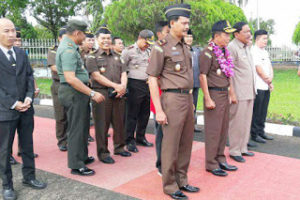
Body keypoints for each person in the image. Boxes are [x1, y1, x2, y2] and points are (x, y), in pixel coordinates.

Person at [147, 4, 200, 199]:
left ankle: (182, 180)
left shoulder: (185, 47)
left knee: (186, 142)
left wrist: (190, 100)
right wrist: (159, 110)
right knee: (170, 144)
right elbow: (152, 78)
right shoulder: (161, 48)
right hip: (171, 99)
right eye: (184, 22)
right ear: (172, 23)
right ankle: (169, 185)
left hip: (186, 98)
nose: (187, 26)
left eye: (188, 22)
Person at [0, 18, 47, 200]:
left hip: (26, 108)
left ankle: (29, 177)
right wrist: (13, 103)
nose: (12, 35)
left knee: (27, 145)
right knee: (4, 150)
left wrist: (28, 97)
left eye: (13, 31)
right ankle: (7, 185)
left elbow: (29, 76)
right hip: (6, 111)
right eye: (6, 31)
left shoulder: (21, 53)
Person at [56, 19, 105, 176]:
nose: (84, 37)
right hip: (73, 92)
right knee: (77, 128)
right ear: (77, 33)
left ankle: (82, 156)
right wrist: (91, 93)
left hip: (78, 92)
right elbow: (70, 78)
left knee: (83, 126)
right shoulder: (68, 49)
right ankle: (76, 165)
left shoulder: (70, 46)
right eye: (83, 34)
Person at [86, 25, 131, 164]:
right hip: (102, 94)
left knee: (119, 122)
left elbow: (124, 73)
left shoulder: (118, 57)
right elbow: (96, 76)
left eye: (108, 38)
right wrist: (115, 86)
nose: (106, 40)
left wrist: (122, 86)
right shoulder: (92, 57)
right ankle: (103, 153)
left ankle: (119, 147)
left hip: (118, 94)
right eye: (103, 38)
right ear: (97, 40)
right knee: (102, 125)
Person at [199, 20, 238, 177]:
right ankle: (211, 163)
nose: (228, 38)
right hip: (213, 94)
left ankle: (221, 158)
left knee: (223, 129)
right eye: (226, 35)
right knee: (214, 131)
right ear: (216, 36)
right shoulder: (207, 52)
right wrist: (207, 98)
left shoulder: (223, 52)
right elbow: (202, 76)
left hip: (223, 94)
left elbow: (228, 75)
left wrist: (231, 93)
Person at [121, 29, 154, 153]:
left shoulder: (149, 51)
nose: (147, 45)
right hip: (134, 84)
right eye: (146, 42)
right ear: (140, 38)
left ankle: (141, 137)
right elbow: (122, 69)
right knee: (132, 114)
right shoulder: (128, 51)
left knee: (145, 114)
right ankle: (129, 140)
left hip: (147, 85)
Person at [9, 27, 39, 165]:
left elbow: (29, 75)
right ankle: (7, 153)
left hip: (25, 102)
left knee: (27, 134)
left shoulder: (22, 54)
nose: (17, 42)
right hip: (7, 104)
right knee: (7, 135)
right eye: (16, 40)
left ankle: (24, 152)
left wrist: (30, 93)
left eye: (19, 40)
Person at [227, 22, 256, 163]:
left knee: (246, 121)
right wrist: (232, 92)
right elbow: (229, 73)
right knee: (237, 122)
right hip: (239, 92)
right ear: (236, 34)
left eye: (249, 31)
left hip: (249, 91)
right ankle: (234, 150)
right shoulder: (232, 47)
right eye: (246, 32)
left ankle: (243, 147)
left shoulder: (246, 47)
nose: (249, 34)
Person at [151, 21, 169, 176]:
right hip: (160, 97)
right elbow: (153, 78)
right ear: (159, 34)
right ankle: (161, 164)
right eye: (167, 31)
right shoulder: (157, 49)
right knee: (161, 134)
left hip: (174, 99)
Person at [250, 30, 274, 143]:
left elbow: (269, 66)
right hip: (258, 86)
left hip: (266, 85)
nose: (266, 40)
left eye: (266, 38)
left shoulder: (264, 51)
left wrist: (270, 80)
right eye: (264, 38)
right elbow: (258, 69)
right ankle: (254, 134)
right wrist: (267, 79)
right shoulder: (254, 51)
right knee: (257, 111)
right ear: (257, 39)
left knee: (263, 110)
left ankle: (261, 131)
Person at [47, 26, 68, 152]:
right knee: (61, 115)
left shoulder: (73, 49)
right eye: (65, 39)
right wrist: (69, 72)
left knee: (72, 115)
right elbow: (53, 67)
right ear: (60, 38)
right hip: (59, 84)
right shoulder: (54, 51)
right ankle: (62, 140)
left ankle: (72, 139)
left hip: (71, 85)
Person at [184, 29, 202, 132]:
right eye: (187, 37)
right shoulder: (181, 50)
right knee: (186, 105)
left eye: (191, 37)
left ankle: (193, 125)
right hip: (185, 84)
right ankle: (185, 125)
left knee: (194, 104)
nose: (189, 39)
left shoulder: (196, 50)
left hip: (195, 82)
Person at [80, 30, 96, 143]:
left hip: (95, 84)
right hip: (84, 85)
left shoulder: (95, 52)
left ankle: (99, 130)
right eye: (89, 40)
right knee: (84, 111)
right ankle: (86, 134)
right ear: (83, 41)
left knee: (96, 109)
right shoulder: (79, 53)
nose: (91, 42)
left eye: (92, 40)